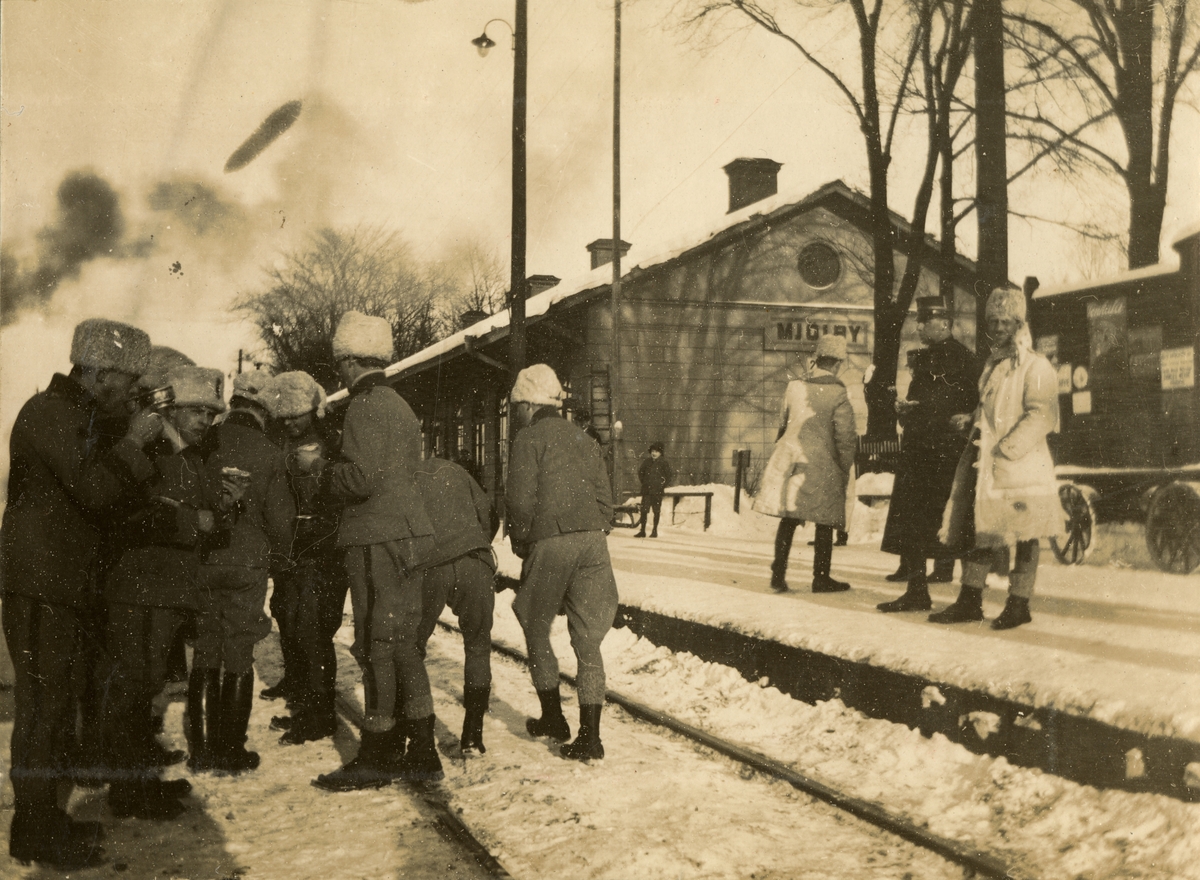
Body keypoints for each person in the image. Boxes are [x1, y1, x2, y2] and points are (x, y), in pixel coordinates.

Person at [1, 318, 160, 869]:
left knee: (54, 705)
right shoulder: (52, 412)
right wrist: (136, 442)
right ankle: (35, 831)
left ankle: (43, 820)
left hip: (57, 583)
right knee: (44, 709)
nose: (132, 390)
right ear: (95, 370)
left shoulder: (77, 415)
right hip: (44, 584)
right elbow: (94, 490)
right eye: (126, 378)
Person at [297, 311, 439, 791]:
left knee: (377, 647)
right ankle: (421, 750)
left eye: (341, 362)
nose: (338, 371)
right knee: (403, 647)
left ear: (353, 360)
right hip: (409, 535)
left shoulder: (364, 405)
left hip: (377, 539)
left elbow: (360, 479)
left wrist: (319, 470)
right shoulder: (400, 404)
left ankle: (377, 750)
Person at [102, 364, 233, 819]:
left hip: (165, 591)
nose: (207, 421)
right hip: (140, 589)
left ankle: (140, 779)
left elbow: (196, 516)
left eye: (212, 414)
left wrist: (218, 511)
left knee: (147, 687)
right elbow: (126, 515)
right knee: (133, 689)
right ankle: (128, 791)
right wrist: (192, 520)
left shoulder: (188, 455)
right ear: (172, 410)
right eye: (198, 411)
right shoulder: (152, 452)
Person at [931, 287, 1060, 630]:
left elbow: (1042, 415)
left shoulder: (1036, 365)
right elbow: (992, 411)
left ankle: (1019, 603)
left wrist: (1005, 449)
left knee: (1025, 536)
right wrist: (970, 420)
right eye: (993, 321)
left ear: (1019, 323)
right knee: (983, 530)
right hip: (992, 465)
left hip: (1022, 466)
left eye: (1006, 321)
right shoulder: (994, 365)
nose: (999, 327)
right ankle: (970, 600)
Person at [506, 364, 617, 761]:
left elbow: (520, 500)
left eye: (516, 406)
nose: (516, 413)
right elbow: (607, 502)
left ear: (527, 404)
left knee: (535, 626)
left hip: (550, 541)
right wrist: (591, 529)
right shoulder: (585, 439)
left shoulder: (528, 438)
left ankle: (553, 717)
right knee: (588, 639)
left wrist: (521, 539)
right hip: (592, 543)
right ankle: (591, 736)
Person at [189, 369, 295, 775]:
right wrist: (282, 555)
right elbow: (280, 519)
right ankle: (230, 749)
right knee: (238, 650)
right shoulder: (270, 452)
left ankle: (200, 751)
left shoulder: (205, 442)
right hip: (248, 561)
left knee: (205, 647)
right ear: (265, 409)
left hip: (205, 557)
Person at [877, 297, 981, 613]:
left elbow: (974, 405)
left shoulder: (965, 359)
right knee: (914, 521)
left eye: (926, 322)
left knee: (955, 521)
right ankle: (917, 590)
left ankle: (968, 597)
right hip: (919, 451)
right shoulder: (923, 360)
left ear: (945, 324)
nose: (919, 327)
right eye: (919, 321)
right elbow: (919, 401)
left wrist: (945, 416)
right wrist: (904, 411)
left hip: (947, 453)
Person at [264, 371, 346, 746]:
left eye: (298, 414)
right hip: (295, 550)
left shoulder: (332, 443)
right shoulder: (281, 443)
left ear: (314, 410)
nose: (291, 422)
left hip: (323, 551)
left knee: (314, 634)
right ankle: (307, 706)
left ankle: (321, 715)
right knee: (296, 627)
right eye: (286, 416)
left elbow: (340, 495)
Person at [755, 335, 858, 594]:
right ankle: (820, 578)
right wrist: (844, 468)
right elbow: (845, 437)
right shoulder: (837, 392)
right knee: (824, 521)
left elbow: (783, 422)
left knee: (789, 517)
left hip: (789, 459)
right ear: (836, 363)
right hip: (821, 463)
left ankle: (778, 574)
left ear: (817, 360)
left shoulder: (794, 387)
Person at [412, 457, 498, 755]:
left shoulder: (408, 475)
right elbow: (488, 513)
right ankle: (473, 735)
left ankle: (417, 731)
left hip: (430, 566)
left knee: (411, 647)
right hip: (474, 560)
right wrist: (480, 542)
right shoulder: (460, 472)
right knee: (478, 645)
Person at [635, 442, 673, 538]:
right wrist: (644, 482)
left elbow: (668, 476)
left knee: (656, 511)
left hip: (657, 491)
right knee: (644, 511)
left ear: (660, 453)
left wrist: (661, 485)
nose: (654, 453)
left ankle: (654, 530)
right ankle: (642, 531)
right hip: (647, 491)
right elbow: (641, 473)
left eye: (656, 451)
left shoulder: (664, 462)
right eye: (652, 451)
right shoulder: (647, 462)